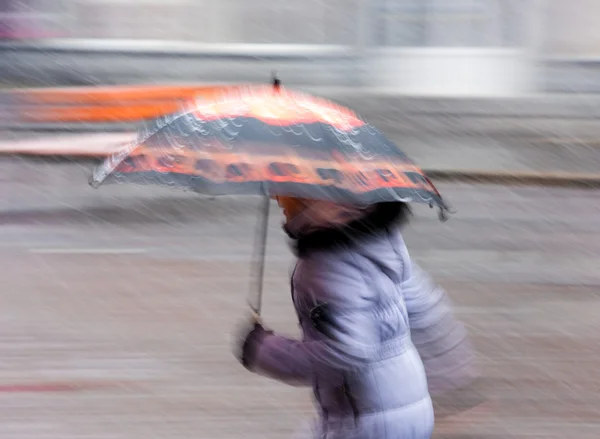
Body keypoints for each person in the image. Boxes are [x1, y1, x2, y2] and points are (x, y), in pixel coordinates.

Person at [234, 197, 482, 439]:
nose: (278, 199)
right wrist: (446, 372)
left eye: (287, 192)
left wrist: (263, 350)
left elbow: (346, 352)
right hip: (408, 407)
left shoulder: (325, 266)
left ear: (317, 200)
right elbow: (419, 305)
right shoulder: (380, 237)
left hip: (365, 421)